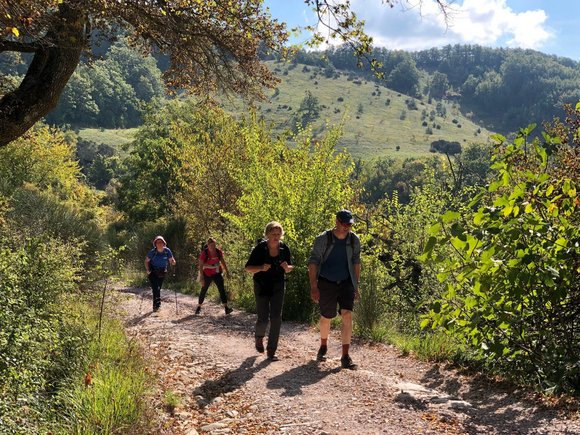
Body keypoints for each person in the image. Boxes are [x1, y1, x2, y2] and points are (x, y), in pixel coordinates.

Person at [308, 209, 361, 370]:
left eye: (349, 225)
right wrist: (314, 287)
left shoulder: (354, 240)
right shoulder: (323, 239)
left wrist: (356, 286)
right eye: (344, 224)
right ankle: (323, 345)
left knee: (347, 314)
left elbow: (356, 262)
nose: (346, 227)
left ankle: (345, 356)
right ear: (337, 222)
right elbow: (313, 262)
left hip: (346, 282)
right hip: (326, 282)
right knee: (327, 316)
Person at [245, 222, 293, 361]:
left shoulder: (284, 248)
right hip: (261, 285)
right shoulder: (260, 248)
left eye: (278, 234)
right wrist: (261, 267)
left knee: (276, 318)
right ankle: (259, 337)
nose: (276, 237)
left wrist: (287, 268)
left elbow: (290, 267)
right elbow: (248, 268)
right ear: (267, 234)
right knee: (263, 318)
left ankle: (272, 350)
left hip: (278, 285)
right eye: (273, 234)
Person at [195, 237, 233, 316]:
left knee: (221, 289)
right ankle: (198, 308)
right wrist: (202, 277)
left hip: (217, 273)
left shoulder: (218, 252)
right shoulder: (204, 253)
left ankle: (226, 308)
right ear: (208, 245)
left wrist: (227, 272)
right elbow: (201, 265)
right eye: (211, 245)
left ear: (215, 244)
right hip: (207, 274)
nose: (212, 247)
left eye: (214, 245)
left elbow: (222, 261)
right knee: (204, 290)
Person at [145, 235, 176, 312]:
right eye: (158, 242)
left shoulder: (167, 251)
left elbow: (171, 260)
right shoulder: (152, 252)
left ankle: (156, 306)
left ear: (164, 243)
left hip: (162, 272)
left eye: (161, 242)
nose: (159, 244)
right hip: (153, 271)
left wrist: (173, 262)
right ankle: (157, 305)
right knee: (156, 288)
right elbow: (146, 261)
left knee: (158, 288)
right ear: (155, 244)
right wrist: (148, 270)